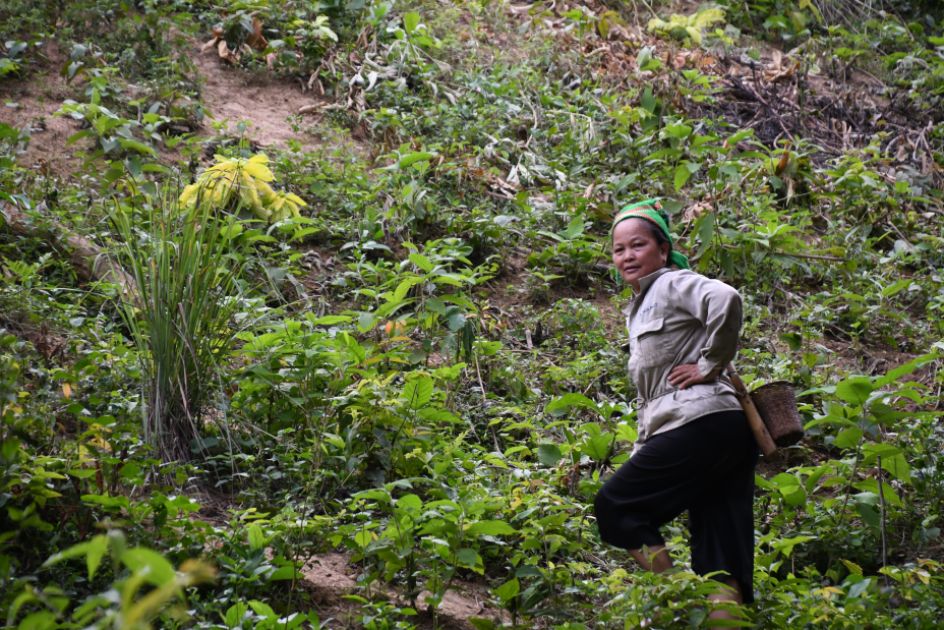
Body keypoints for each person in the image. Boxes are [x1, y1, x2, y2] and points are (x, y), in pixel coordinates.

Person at [594, 199, 759, 618]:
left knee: (617, 505)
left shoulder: (669, 284)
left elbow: (725, 297)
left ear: (662, 250)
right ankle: (714, 616)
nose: (628, 256)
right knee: (720, 558)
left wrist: (709, 364)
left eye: (638, 245)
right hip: (723, 432)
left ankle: (679, 604)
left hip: (702, 423)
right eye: (619, 250)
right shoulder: (643, 303)